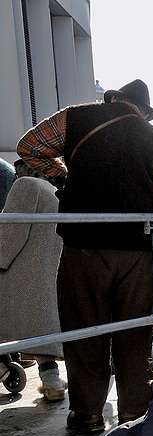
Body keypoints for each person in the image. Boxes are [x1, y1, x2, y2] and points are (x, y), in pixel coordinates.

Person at [17, 78, 153, 432]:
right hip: (137, 252)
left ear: (112, 99)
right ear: (143, 111)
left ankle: (88, 414)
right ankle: (132, 413)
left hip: (83, 245)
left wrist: (65, 175)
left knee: (84, 329)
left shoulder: (75, 118)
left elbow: (29, 146)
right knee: (135, 332)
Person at [0, 160, 64, 400]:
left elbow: (10, 232)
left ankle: (2, 367)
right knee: (40, 329)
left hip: (17, 273)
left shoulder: (25, 185)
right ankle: (52, 383)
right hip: (42, 274)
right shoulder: (52, 190)